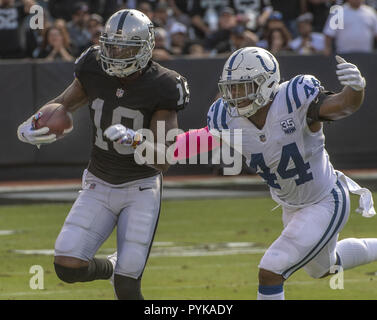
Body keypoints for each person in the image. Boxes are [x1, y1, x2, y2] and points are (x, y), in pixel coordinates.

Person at [175, 46, 377, 299]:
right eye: (232, 87)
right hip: (291, 206)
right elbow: (191, 143)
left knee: (271, 269)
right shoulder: (226, 117)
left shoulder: (294, 99)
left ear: (266, 83)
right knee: (324, 268)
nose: (235, 95)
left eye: (243, 86)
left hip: (325, 200)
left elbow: (343, 105)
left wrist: (355, 89)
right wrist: (143, 143)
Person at [17, 9, 189, 300]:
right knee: (67, 266)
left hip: (141, 187)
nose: (116, 53)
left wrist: (137, 141)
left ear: (146, 48)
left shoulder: (163, 84)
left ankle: (119, 274)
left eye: (126, 48)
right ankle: (110, 267)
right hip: (98, 180)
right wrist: (33, 122)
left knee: (128, 285)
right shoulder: (93, 65)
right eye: (111, 45)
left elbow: (165, 159)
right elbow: (63, 104)